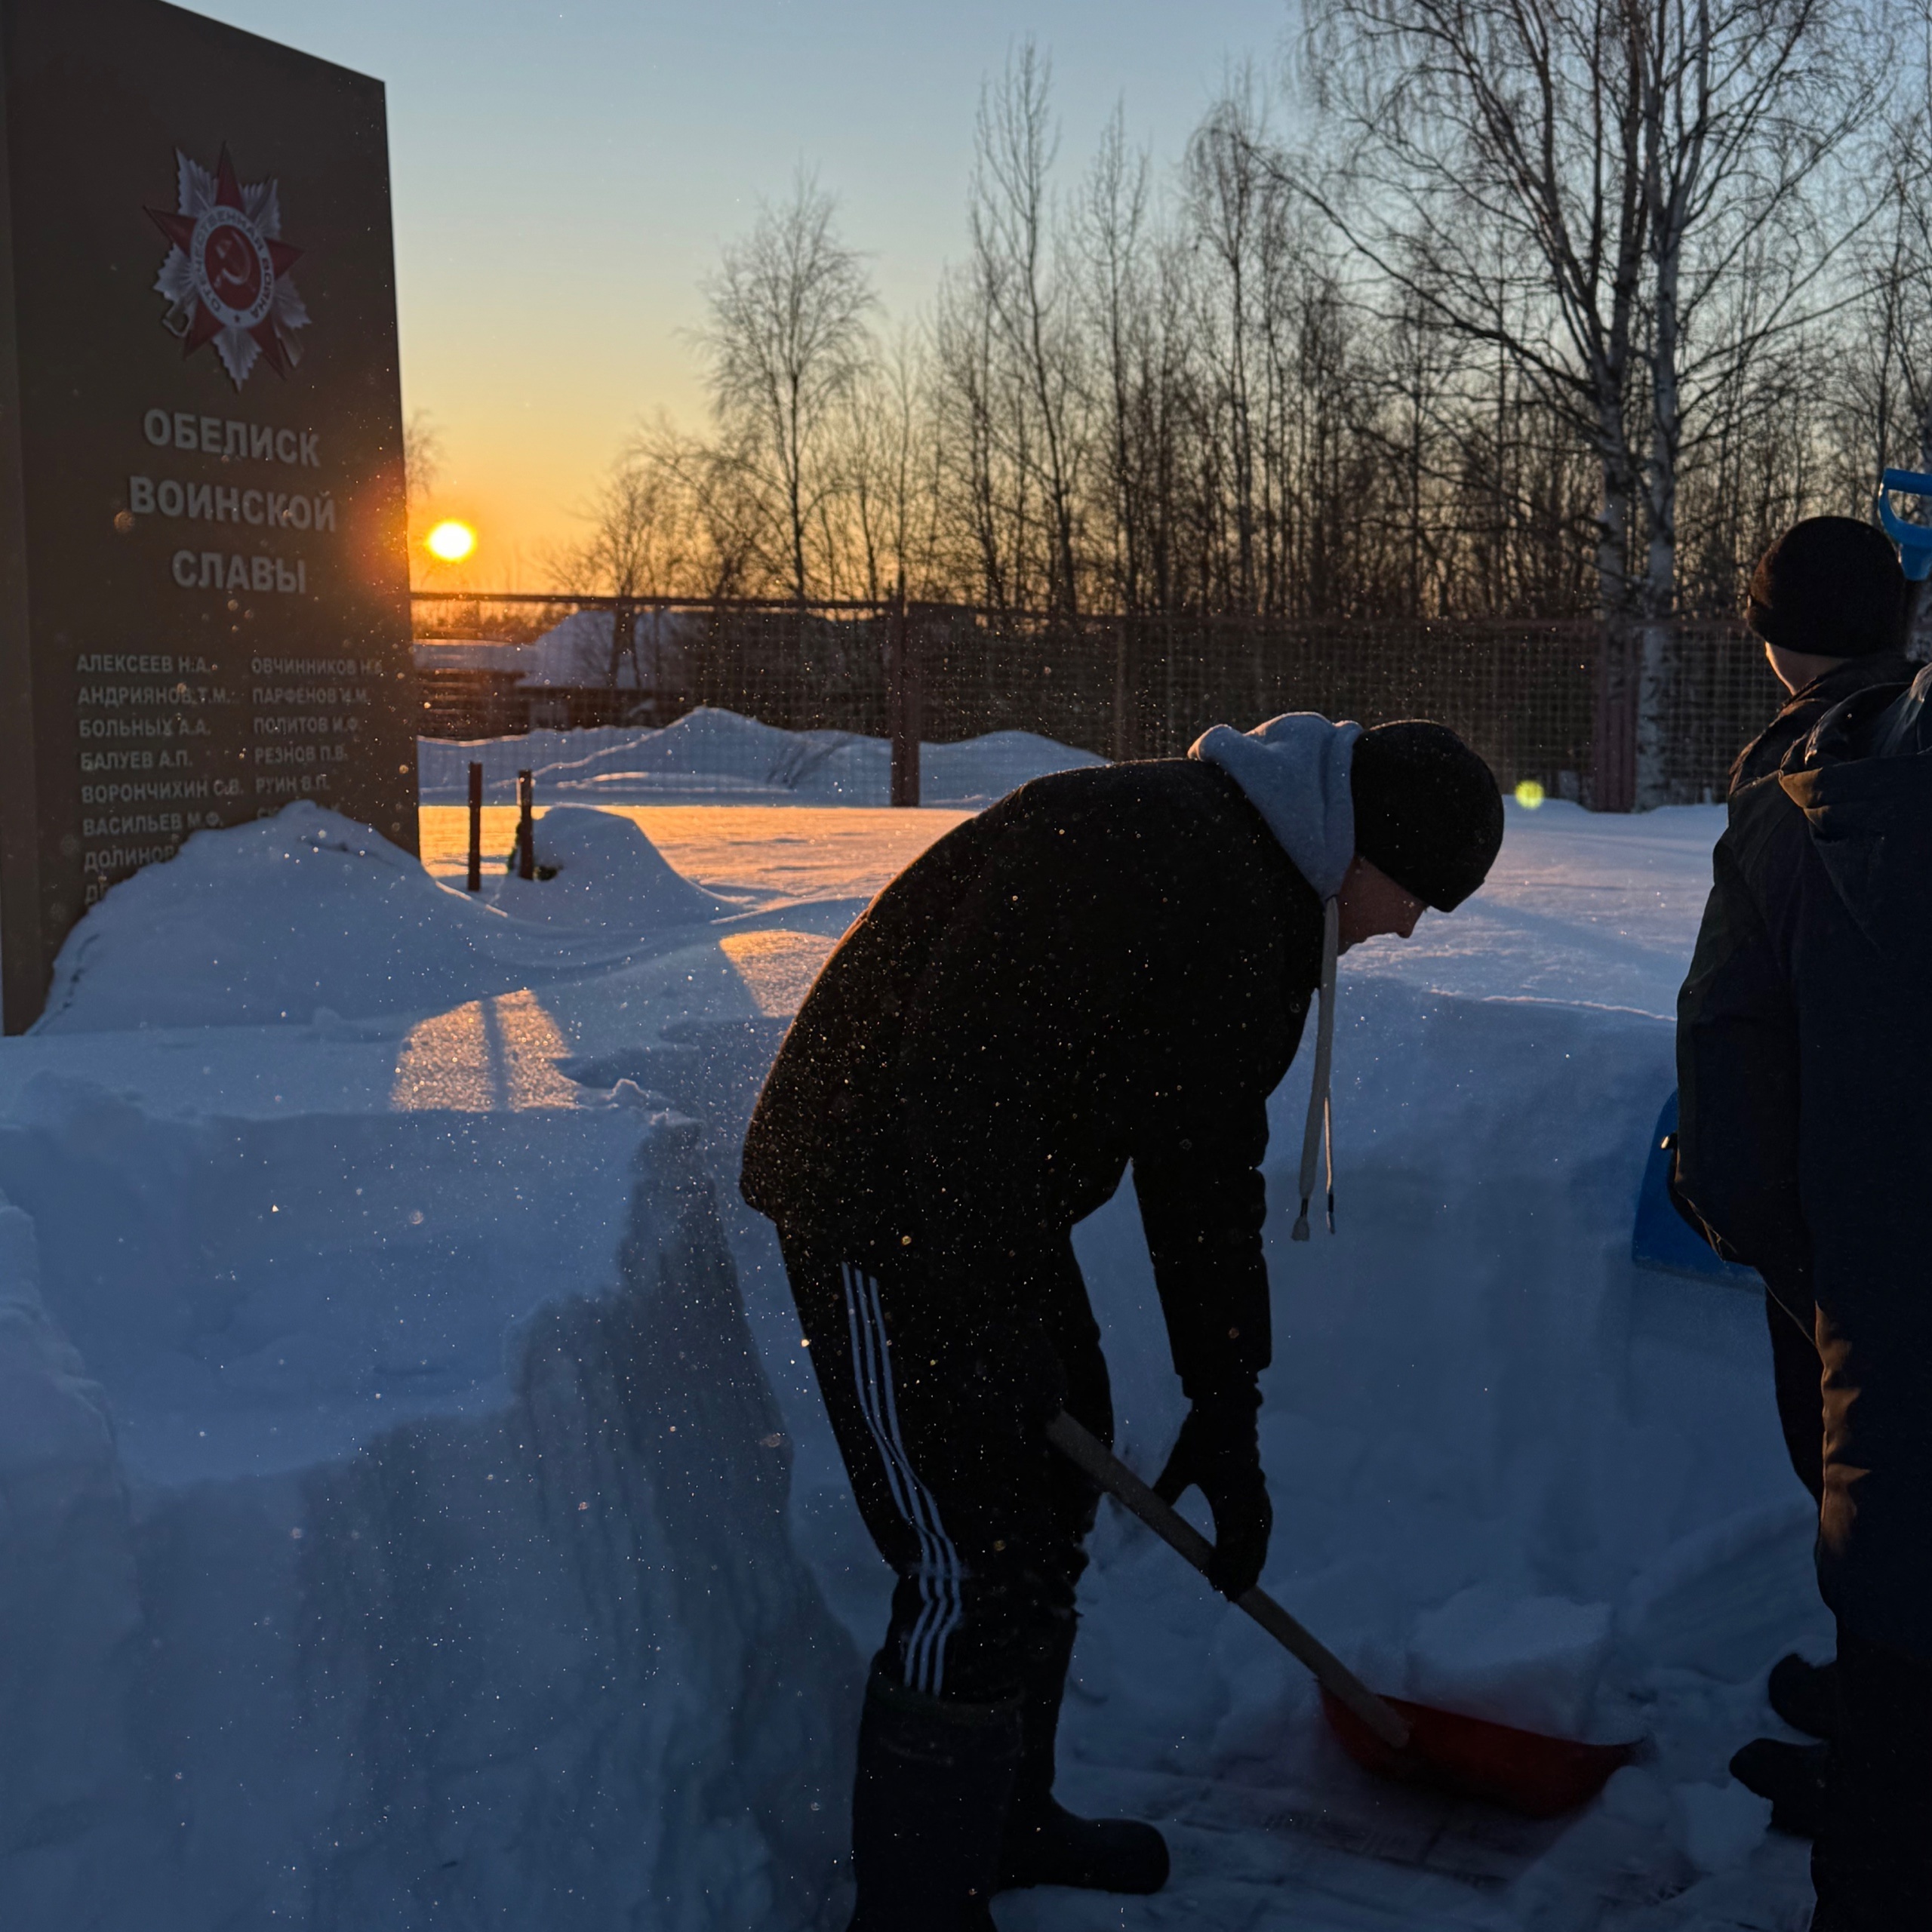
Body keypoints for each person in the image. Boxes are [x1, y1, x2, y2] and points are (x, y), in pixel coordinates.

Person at [740, 715, 1504, 1929]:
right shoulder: (1141, 849)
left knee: (1051, 1487)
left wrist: (1227, 1404)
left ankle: (1006, 1823)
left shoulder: (1268, 910)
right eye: (1415, 895)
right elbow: (954, 1072)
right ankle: (916, 1910)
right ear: (1363, 843)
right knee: (966, 1556)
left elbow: (1205, 1171)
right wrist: (984, 1318)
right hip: (872, 1195)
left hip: (988, 1206)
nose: (1407, 927)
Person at [1672, 516, 1932, 1926]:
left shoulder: (1794, 796)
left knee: (1880, 1519)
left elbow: (1730, 1067)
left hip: (1869, 1266)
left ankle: (1878, 1780)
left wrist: (1783, 1248)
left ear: (1774, 641)